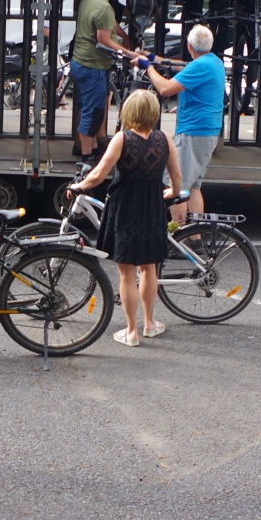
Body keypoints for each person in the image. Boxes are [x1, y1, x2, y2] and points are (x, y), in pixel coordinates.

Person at [69, 89, 183, 347]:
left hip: (125, 206)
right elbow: (176, 176)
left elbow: (99, 175)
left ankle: (132, 331)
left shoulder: (122, 138)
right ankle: (150, 324)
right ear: (154, 113)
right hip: (153, 205)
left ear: (128, 111)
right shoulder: (164, 139)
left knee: (127, 273)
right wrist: (173, 193)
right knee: (149, 267)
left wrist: (79, 186)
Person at [144, 24, 225, 225]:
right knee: (193, 186)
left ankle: (179, 233)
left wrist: (148, 68)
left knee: (176, 185)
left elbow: (165, 89)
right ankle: (195, 236)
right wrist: (155, 58)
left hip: (193, 133)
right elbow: (185, 67)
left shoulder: (200, 66)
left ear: (189, 45)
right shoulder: (214, 61)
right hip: (207, 132)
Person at [70, 0, 131, 160]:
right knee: (93, 111)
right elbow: (104, 39)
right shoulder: (104, 7)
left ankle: (94, 148)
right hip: (92, 65)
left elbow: (107, 25)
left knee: (92, 107)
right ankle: (87, 156)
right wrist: (128, 52)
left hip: (82, 61)